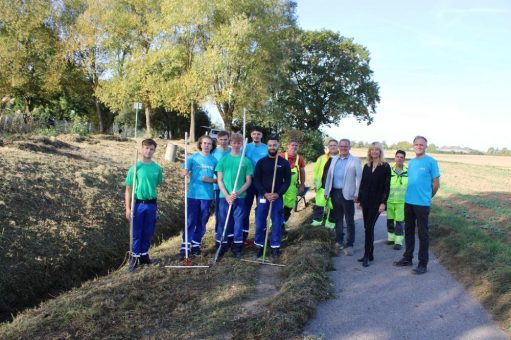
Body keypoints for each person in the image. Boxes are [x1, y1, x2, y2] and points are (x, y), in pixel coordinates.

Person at [394, 136, 440, 275]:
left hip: (422, 204)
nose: (419, 146)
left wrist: (427, 197)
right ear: (413, 146)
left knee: (423, 234)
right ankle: (408, 258)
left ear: (426, 146)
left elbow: (436, 184)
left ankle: (422, 264)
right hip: (409, 202)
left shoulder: (431, 162)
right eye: (416, 144)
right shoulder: (412, 163)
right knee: (408, 231)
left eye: (421, 144)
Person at [124, 139, 163, 270]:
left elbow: (157, 184)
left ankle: (144, 255)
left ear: (154, 151)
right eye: (146, 148)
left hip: (151, 204)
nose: (148, 151)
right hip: (138, 204)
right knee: (136, 232)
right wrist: (128, 208)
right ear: (142, 149)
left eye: (151, 149)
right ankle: (134, 257)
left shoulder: (157, 168)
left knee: (148, 230)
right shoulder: (134, 168)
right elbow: (128, 189)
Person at [253, 136, 291, 262]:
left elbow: (287, 182)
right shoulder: (261, 162)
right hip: (263, 197)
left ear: (278, 146)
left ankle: (275, 247)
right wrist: (265, 193)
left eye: (274, 145)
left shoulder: (284, 163)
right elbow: (256, 180)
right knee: (259, 222)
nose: (272, 147)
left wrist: (278, 194)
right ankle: (259, 245)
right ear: (267, 146)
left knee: (276, 223)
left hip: (277, 198)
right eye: (270, 145)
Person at [215, 133, 253, 259]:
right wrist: (226, 195)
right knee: (223, 221)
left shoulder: (245, 161)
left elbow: (248, 181)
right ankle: (222, 245)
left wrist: (238, 193)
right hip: (224, 197)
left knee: (238, 222)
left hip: (240, 197)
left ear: (242, 144)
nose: (236, 145)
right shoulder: (224, 160)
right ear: (230, 143)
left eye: (239, 143)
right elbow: (219, 180)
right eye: (234, 143)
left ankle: (237, 246)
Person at [179, 135, 217, 259]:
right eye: (204, 143)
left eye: (209, 144)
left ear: (212, 146)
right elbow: (184, 171)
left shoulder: (214, 160)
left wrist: (210, 180)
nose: (206, 145)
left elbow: (219, 179)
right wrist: (184, 172)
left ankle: (196, 245)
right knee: (190, 221)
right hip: (193, 195)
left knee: (202, 221)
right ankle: (185, 247)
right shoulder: (193, 158)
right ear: (200, 144)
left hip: (207, 196)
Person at [323, 139, 362, 256]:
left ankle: (350, 244)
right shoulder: (334, 160)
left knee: (350, 220)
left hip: (348, 195)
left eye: (346, 146)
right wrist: (326, 191)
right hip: (335, 193)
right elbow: (329, 176)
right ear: (339, 147)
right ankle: (339, 241)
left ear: (349, 147)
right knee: (338, 219)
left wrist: (357, 194)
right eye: (341, 146)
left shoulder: (355, 161)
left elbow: (359, 179)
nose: (343, 148)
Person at [357, 142, 391, 267]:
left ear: (380, 152)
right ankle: (370, 254)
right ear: (369, 152)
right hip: (366, 201)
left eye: (377, 149)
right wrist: (360, 200)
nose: (374, 152)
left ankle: (366, 255)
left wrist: (383, 203)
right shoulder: (366, 166)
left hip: (377, 203)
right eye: (372, 150)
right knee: (367, 227)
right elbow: (363, 184)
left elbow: (387, 187)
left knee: (369, 228)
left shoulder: (386, 166)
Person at [242, 126, 268, 244]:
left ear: (261, 135)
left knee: (261, 208)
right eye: (254, 134)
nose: (256, 136)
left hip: (262, 183)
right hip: (249, 181)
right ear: (251, 135)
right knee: (245, 208)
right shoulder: (246, 147)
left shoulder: (266, 148)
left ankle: (260, 234)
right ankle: (243, 236)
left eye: (258, 134)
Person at [279, 140, 306, 234]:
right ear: (287, 147)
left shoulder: (300, 158)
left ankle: (282, 223)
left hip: (292, 186)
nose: (294, 147)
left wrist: (302, 184)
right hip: (280, 186)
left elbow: (302, 171)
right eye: (292, 145)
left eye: (296, 145)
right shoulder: (281, 156)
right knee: (278, 206)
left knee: (289, 205)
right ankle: (274, 227)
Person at [311, 139, 338, 228]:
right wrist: (315, 184)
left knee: (333, 207)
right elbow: (316, 172)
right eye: (331, 145)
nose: (333, 147)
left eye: (334, 145)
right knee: (319, 205)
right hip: (322, 186)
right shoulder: (322, 158)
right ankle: (317, 222)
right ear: (328, 147)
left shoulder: (341, 158)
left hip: (335, 188)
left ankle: (330, 225)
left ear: (337, 146)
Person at [386, 150, 408, 250]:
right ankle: (391, 238)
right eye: (397, 157)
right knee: (390, 220)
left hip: (401, 202)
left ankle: (398, 241)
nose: (399, 159)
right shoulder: (388, 170)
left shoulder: (409, 171)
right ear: (395, 157)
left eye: (401, 157)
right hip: (389, 200)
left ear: (404, 159)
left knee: (399, 222)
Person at [211, 131, 231, 234]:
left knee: (230, 210)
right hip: (217, 186)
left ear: (229, 140)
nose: (223, 142)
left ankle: (229, 232)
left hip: (230, 186)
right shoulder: (214, 152)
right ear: (218, 140)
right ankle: (219, 232)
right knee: (219, 210)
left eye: (225, 139)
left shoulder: (232, 151)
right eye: (221, 140)